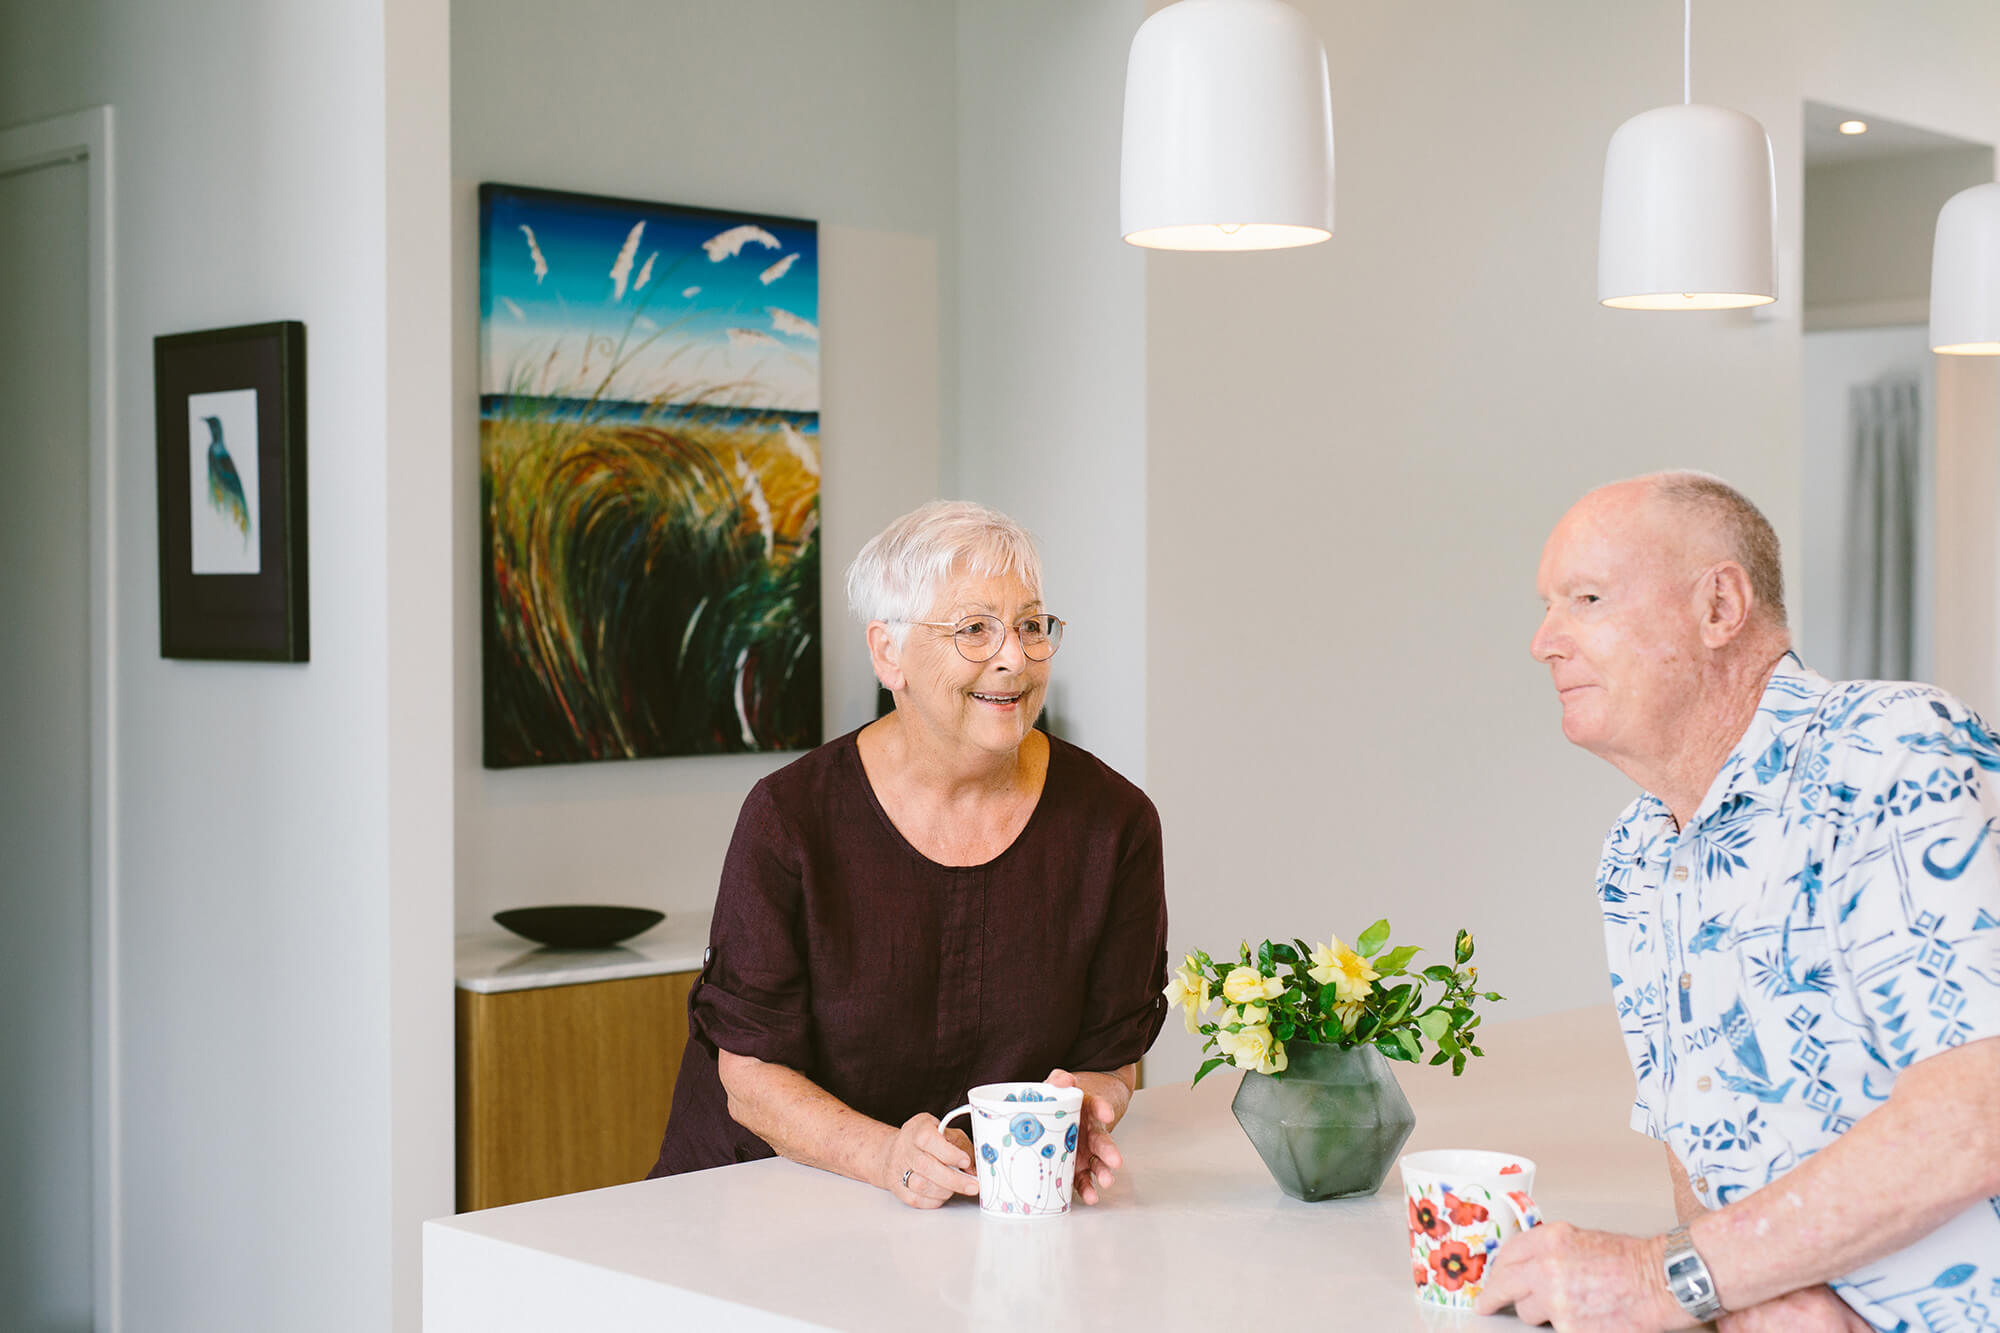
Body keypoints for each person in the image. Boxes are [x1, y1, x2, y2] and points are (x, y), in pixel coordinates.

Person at [1480, 472, 2000, 1332]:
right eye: (1546, 605)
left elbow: (1977, 1113)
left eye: (1587, 597)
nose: (1545, 640)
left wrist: (1669, 1277)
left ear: (1720, 607)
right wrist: (1762, 1295)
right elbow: (1704, 1152)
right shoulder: (1636, 853)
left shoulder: (1892, 753)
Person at [647, 499, 1169, 1209]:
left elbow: (1111, 1056)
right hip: (760, 1204)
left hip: (977, 1214)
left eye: (1029, 626)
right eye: (975, 629)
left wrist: (1088, 1103)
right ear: (888, 652)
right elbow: (750, 1074)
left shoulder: (1116, 823)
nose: (1013, 657)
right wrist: (885, 1154)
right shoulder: (789, 819)